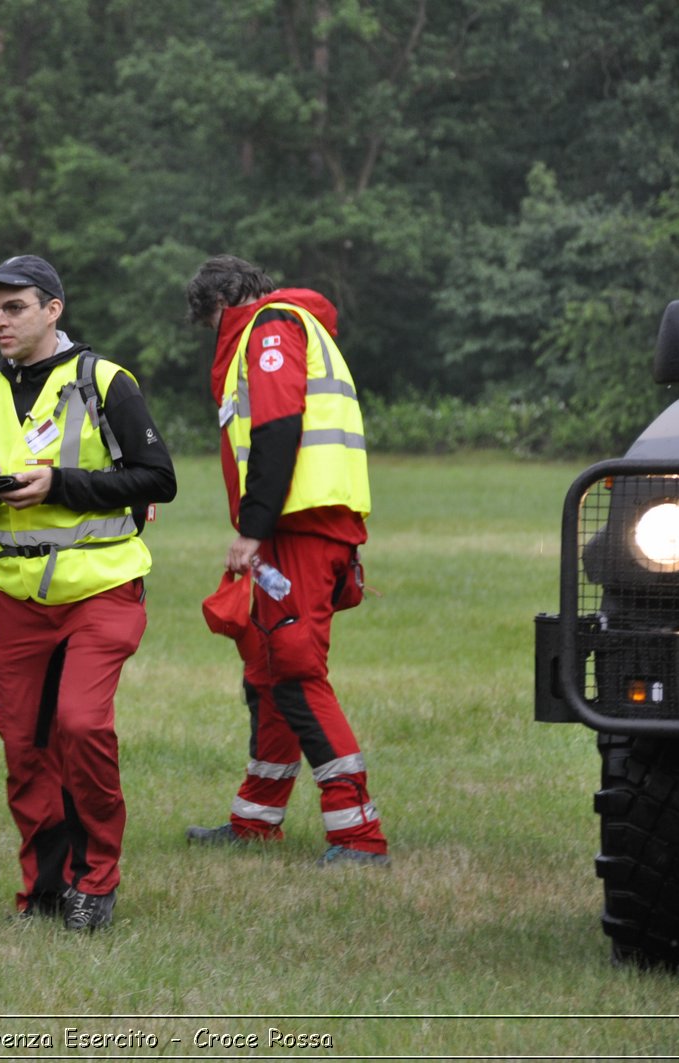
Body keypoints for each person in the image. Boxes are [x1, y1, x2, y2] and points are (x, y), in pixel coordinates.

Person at [0, 254, 177, 930]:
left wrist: (63, 485)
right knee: (24, 745)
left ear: (53, 309)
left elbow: (157, 478)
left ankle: (96, 879)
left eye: (14, 307)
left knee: (80, 723)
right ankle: (44, 886)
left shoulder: (106, 382)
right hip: (16, 595)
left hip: (101, 584)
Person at [182, 254, 389, 867]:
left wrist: (252, 529)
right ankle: (255, 820)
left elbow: (277, 429)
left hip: (298, 528)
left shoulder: (269, 330)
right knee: (268, 672)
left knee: (295, 673)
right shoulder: (294, 326)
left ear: (220, 307)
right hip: (298, 528)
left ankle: (357, 835)